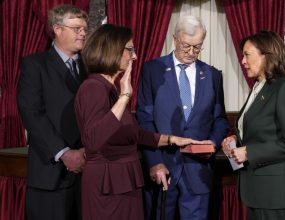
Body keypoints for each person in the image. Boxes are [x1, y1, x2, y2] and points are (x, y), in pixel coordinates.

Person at [74, 24, 205, 220]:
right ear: (112, 50)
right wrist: (125, 96)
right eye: (130, 50)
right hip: (108, 185)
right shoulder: (93, 87)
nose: (134, 56)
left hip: (122, 181)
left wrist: (173, 140)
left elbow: (134, 134)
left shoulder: (110, 89)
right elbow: (93, 139)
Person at [136, 15, 230, 220]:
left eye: (198, 47)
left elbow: (220, 119)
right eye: (186, 45)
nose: (192, 52)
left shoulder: (212, 75)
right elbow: (145, 119)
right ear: (175, 38)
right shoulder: (153, 70)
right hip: (163, 168)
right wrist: (154, 161)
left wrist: (212, 143)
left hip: (198, 170)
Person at [221, 30, 285, 220]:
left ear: (266, 55)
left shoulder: (284, 89)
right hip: (257, 192)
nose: (242, 61)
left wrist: (249, 152)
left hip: (275, 194)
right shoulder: (258, 87)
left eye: (247, 55)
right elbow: (261, 130)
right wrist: (235, 139)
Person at [17, 4, 88, 220]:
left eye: (85, 29)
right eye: (77, 28)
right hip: (50, 177)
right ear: (57, 29)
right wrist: (64, 153)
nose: (83, 33)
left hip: (86, 176)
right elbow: (32, 114)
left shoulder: (89, 68)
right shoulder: (35, 65)